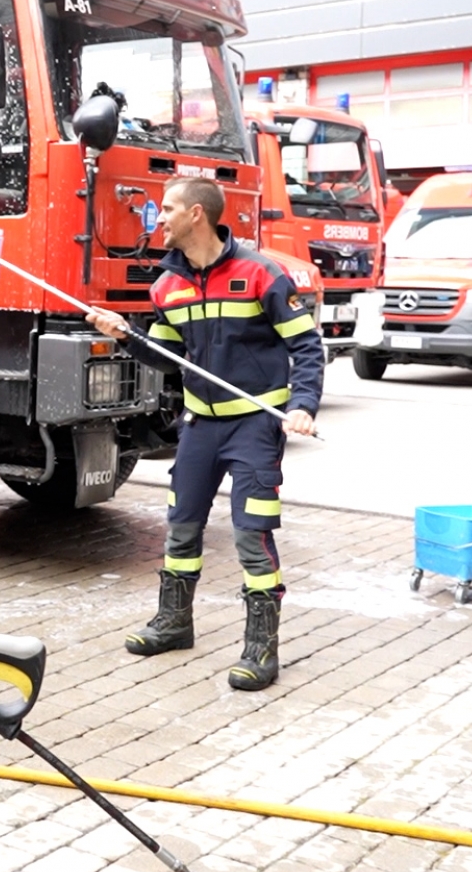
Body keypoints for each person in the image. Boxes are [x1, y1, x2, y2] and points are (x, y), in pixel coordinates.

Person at [86, 178, 322, 692]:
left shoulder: (260, 274)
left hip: (254, 425)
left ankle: (261, 647)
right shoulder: (166, 285)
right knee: (181, 525)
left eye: (167, 209)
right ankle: (175, 622)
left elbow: (306, 347)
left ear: (197, 214)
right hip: (198, 426)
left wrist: (302, 405)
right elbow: (165, 357)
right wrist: (125, 335)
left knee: (251, 534)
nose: (158, 219)